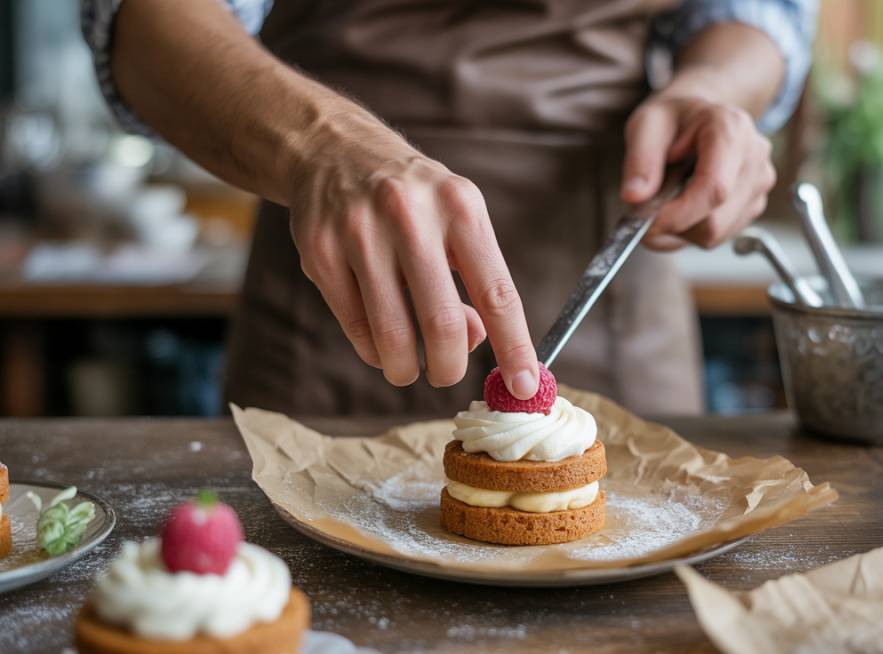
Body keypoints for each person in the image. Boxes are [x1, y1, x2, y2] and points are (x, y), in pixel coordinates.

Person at [83, 0, 816, 417]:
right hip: (328, 304)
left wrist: (714, 90)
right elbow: (143, 22)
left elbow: (760, 13)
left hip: (613, 286)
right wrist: (320, 145)